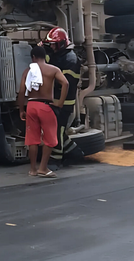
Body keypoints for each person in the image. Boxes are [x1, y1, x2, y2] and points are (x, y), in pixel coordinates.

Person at [16, 45, 69, 178]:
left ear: (33, 57)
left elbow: (22, 91)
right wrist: (60, 102)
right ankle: (43, 168)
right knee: (50, 138)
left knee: (32, 139)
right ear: (45, 56)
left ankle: (32, 169)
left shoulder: (27, 71)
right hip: (45, 106)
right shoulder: (53, 69)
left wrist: (21, 109)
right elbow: (65, 83)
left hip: (31, 105)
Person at [41, 27, 84, 166]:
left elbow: (64, 84)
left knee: (57, 130)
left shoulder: (70, 60)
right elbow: (49, 61)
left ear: (61, 44)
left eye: (54, 44)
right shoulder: (60, 55)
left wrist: (58, 102)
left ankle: (56, 159)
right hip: (56, 100)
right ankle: (76, 154)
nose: (52, 46)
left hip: (64, 102)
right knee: (60, 131)